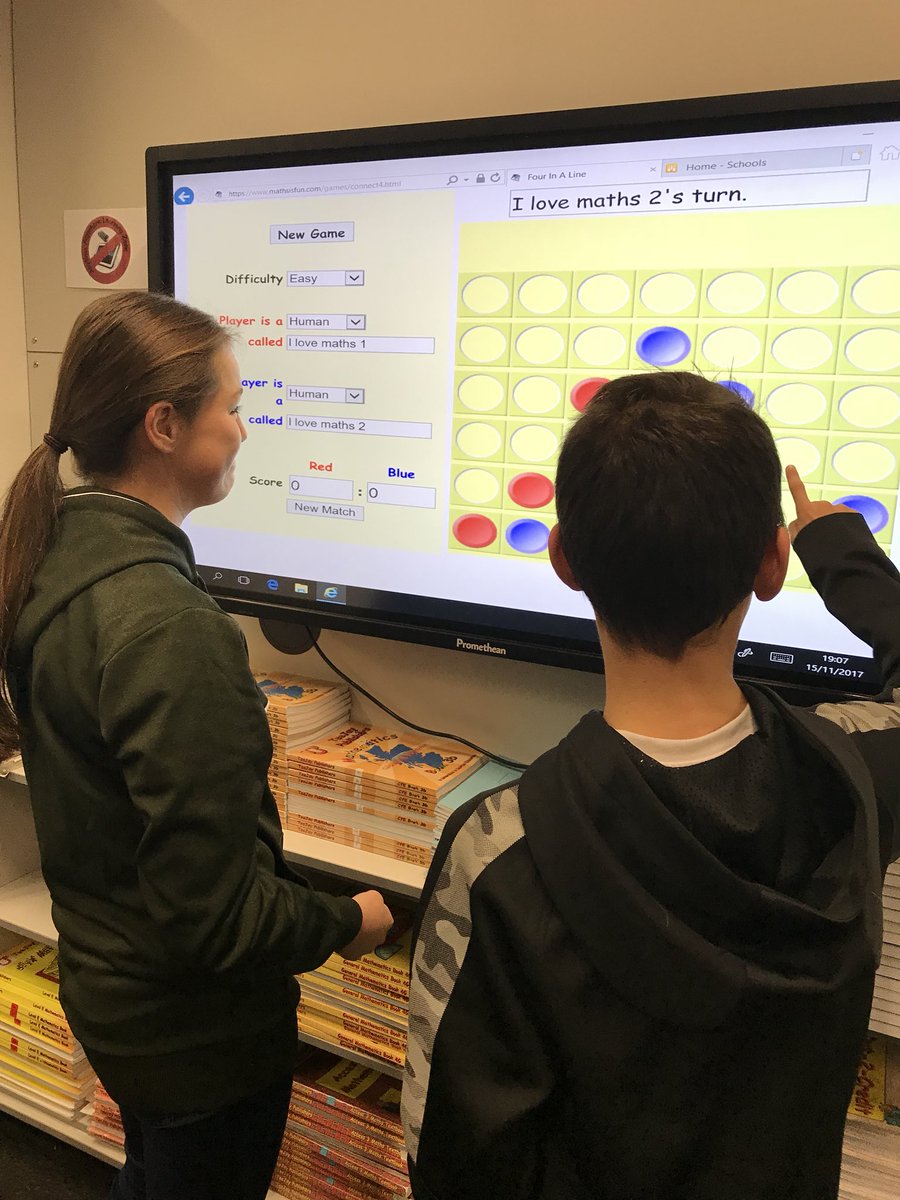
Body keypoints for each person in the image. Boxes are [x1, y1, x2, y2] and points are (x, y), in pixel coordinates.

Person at [401, 371, 900, 1200]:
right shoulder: (852, 775)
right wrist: (843, 556)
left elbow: (450, 1151)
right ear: (772, 565)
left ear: (562, 559)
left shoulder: (503, 848)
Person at [0, 290, 394, 1200]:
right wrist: (351, 923)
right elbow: (217, 920)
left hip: (114, 999)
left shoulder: (56, 557)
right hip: (194, 1042)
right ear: (164, 425)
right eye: (234, 407)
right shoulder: (169, 627)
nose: (245, 432)